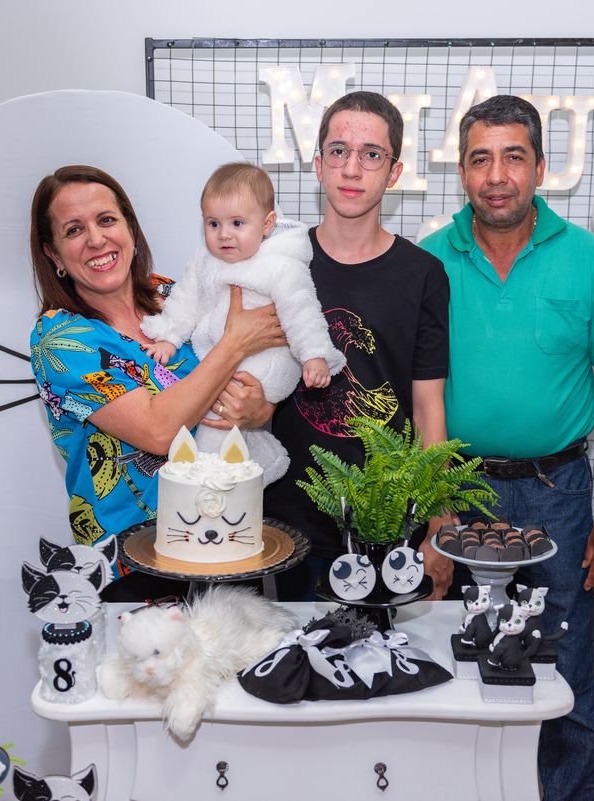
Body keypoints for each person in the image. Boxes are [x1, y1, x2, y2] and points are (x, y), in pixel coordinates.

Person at [418, 94, 594, 801]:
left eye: (513, 157)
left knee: (562, 673)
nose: (497, 176)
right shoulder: (429, 264)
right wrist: (432, 509)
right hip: (456, 494)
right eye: (480, 159)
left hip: (556, 498)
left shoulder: (587, 260)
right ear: (462, 172)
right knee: (458, 666)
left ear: (542, 168)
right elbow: (416, 400)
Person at [215, 91, 452, 600]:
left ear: (394, 172)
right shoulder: (274, 263)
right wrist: (255, 408)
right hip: (281, 523)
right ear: (319, 165)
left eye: (371, 154)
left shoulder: (424, 275)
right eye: (339, 151)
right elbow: (234, 362)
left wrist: (438, 519)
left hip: (387, 523)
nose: (352, 168)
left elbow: (428, 407)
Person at [28, 165, 285, 599]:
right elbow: (157, 431)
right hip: (133, 559)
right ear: (54, 254)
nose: (96, 239)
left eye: (106, 220)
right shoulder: (60, 339)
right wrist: (234, 342)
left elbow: (254, 369)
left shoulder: (173, 294)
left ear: (130, 228)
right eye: (74, 230)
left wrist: (260, 408)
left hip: (226, 531)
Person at [140, 162, 346, 483]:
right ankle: (256, 459)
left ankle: (218, 479)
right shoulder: (204, 260)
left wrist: (314, 355)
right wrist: (169, 336)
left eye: (237, 223)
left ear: (267, 224)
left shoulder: (280, 265)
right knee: (209, 405)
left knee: (215, 420)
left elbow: (302, 311)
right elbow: (185, 299)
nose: (224, 234)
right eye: (213, 223)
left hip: (270, 361)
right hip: (224, 352)